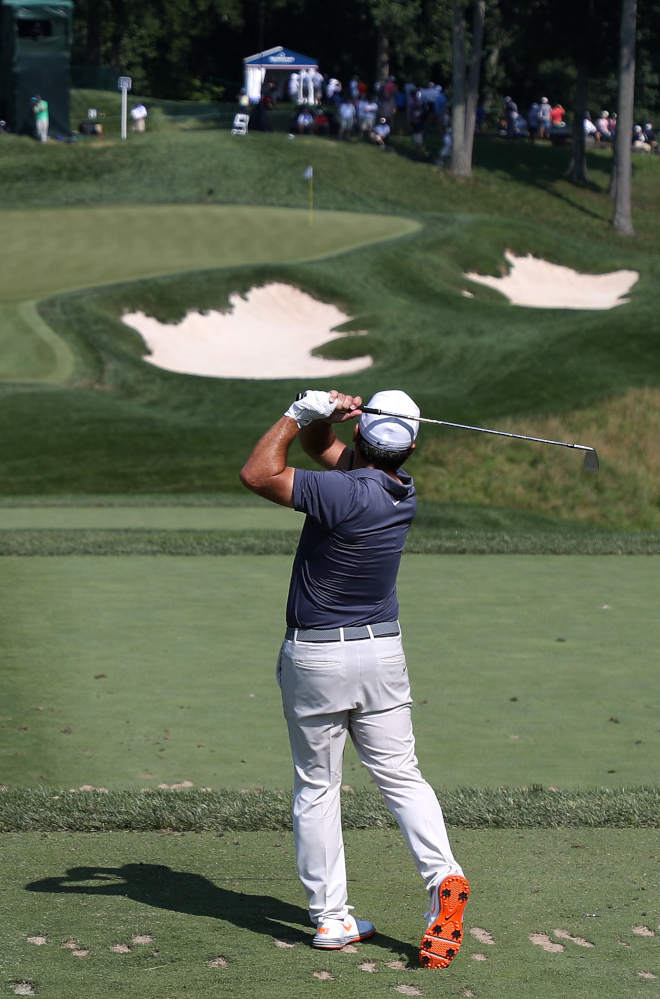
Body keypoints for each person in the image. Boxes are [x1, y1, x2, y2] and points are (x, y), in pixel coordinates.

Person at [237, 388, 469, 966]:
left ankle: (331, 920)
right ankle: (445, 877)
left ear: (366, 438)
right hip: (382, 654)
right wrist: (326, 421)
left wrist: (297, 410)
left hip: (318, 658)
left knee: (318, 786)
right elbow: (327, 453)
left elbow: (257, 473)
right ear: (410, 447)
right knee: (402, 777)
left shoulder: (342, 492)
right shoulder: (397, 489)